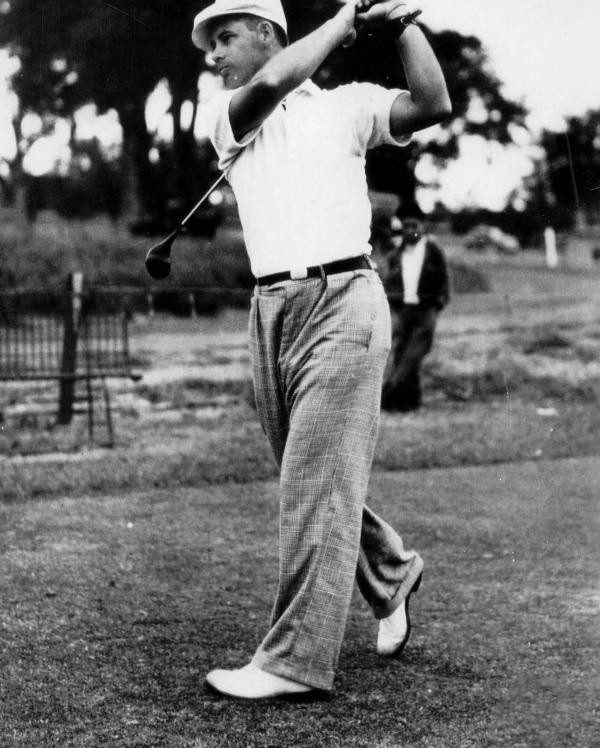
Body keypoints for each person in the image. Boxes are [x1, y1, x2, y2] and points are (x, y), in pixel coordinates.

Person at [192, 0, 451, 701]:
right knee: (312, 474)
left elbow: (433, 104)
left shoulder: (347, 106)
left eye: (225, 37)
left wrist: (400, 25)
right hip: (269, 309)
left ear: (266, 30)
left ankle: (293, 662)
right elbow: (275, 80)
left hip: (346, 300)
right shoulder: (224, 113)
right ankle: (392, 573)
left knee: (314, 478)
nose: (213, 54)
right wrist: (343, 21)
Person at [380, 214, 450, 411]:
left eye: (414, 226)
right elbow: (388, 281)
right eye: (407, 227)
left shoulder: (432, 251)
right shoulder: (396, 255)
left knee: (412, 355)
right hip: (404, 310)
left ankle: (386, 393)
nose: (411, 230)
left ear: (422, 228)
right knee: (401, 353)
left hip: (426, 310)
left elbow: (444, 279)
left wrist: (439, 303)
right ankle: (407, 402)